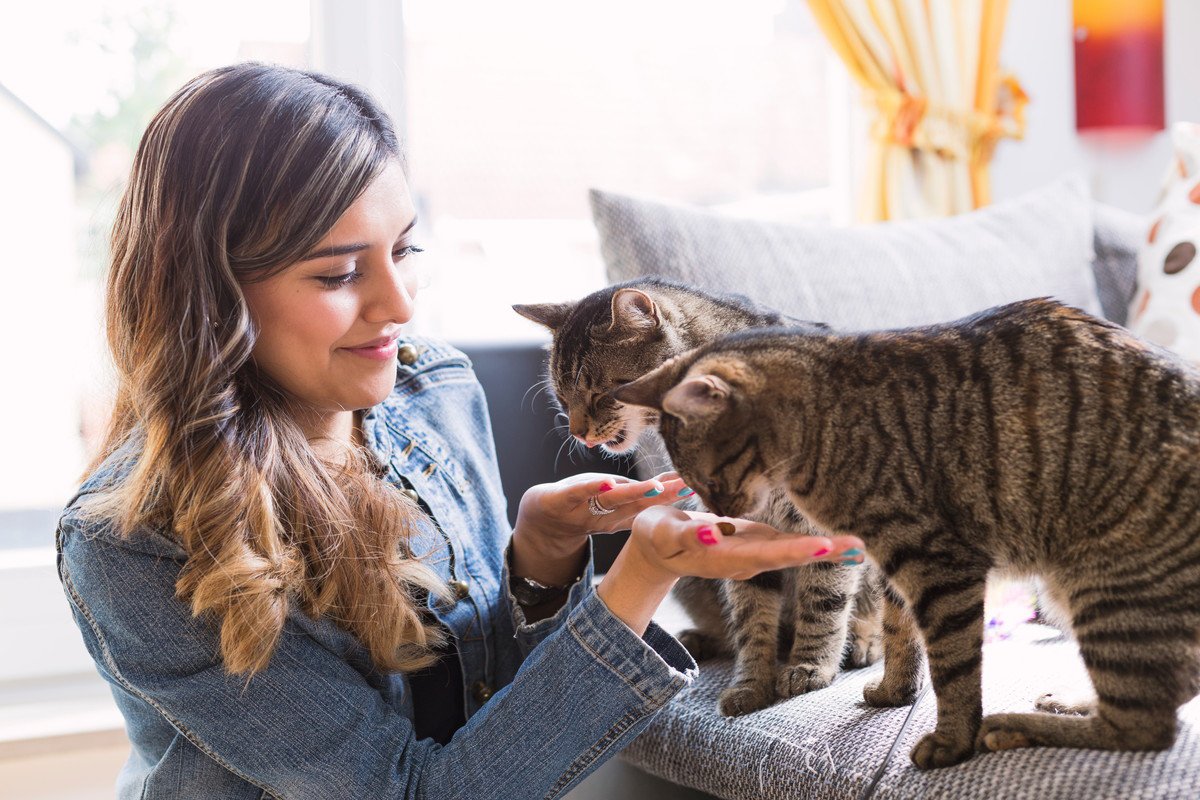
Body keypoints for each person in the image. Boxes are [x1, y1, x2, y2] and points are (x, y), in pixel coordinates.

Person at [56, 62, 865, 799]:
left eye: (404, 249)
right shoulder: (134, 545)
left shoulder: (432, 389)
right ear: (213, 296)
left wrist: (539, 562)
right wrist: (637, 581)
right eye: (338, 273)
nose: (400, 305)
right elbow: (420, 792)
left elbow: (494, 714)